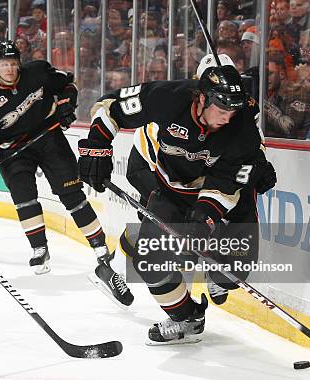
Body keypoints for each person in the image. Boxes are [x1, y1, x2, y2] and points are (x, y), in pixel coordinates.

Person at [78, 57, 276, 345]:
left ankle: (216, 271)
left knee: (231, 275)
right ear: (201, 97)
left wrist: (204, 219)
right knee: (149, 263)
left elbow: (224, 186)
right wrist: (96, 147)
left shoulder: (241, 129)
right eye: (222, 109)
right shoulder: (168, 98)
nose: (227, 118)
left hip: (217, 192)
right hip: (173, 191)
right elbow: (111, 107)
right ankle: (187, 318)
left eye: (233, 111)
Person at [0, 40, 111, 276]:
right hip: (13, 149)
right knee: (24, 197)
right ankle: (39, 248)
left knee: (71, 194)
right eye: (4, 64)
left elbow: (68, 85)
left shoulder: (37, 72)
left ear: (19, 63)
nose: (9, 69)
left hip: (48, 138)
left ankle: (101, 247)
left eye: (13, 63)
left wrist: (66, 105)